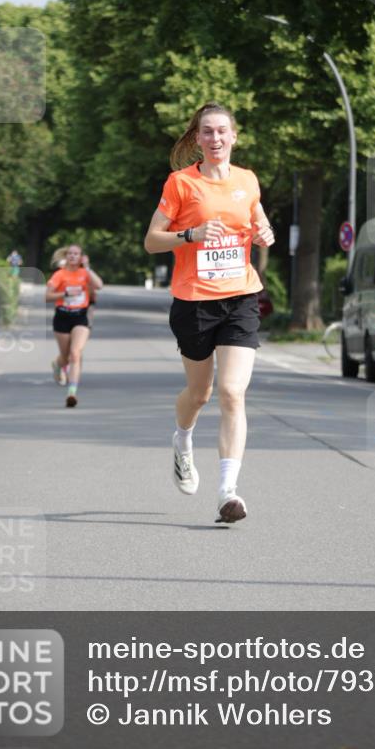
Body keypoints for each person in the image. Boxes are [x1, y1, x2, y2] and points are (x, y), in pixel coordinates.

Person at [144, 101, 275, 523]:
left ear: (234, 136)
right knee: (199, 395)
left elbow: (257, 221)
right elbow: (151, 240)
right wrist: (190, 234)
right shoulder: (181, 184)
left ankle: (227, 492)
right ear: (197, 139)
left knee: (232, 392)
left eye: (222, 131)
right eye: (207, 132)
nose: (215, 139)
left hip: (240, 296)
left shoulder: (248, 180)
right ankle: (182, 441)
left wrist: (265, 232)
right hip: (194, 301)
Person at [45, 245, 103, 407]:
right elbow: (47, 296)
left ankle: (72, 392)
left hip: (80, 317)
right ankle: (57, 365)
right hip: (62, 316)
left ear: (81, 257)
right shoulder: (59, 275)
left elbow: (99, 285)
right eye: (70, 253)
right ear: (66, 256)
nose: (72, 256)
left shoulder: (85, 273)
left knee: (75, 354)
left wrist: (88, 267)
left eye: (76, 254)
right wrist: (65, 294)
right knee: (65, 357)